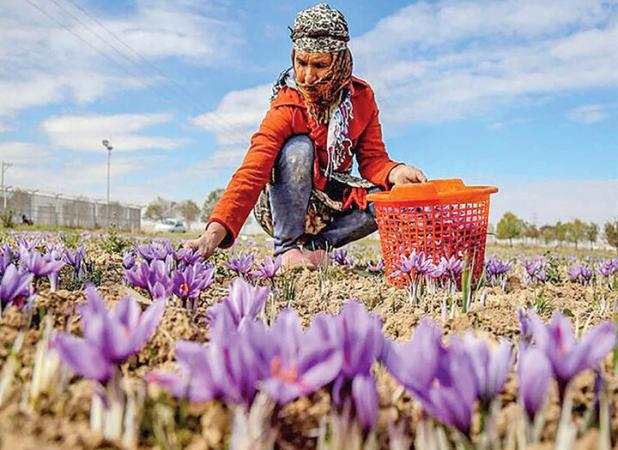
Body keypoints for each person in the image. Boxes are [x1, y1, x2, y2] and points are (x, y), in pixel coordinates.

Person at [185, 3, 426, 269]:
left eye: (320, 65)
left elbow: (372, 160)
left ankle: (316, 247)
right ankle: (286, 249)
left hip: (330, 200)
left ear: (339, 61)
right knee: (298, 148)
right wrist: (213, 233)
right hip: (282, 206)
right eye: (301, 63)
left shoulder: (361, 98)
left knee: (388, 196)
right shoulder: (287, 104)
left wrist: (395, 172)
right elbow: (253, 170)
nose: (307, 77)